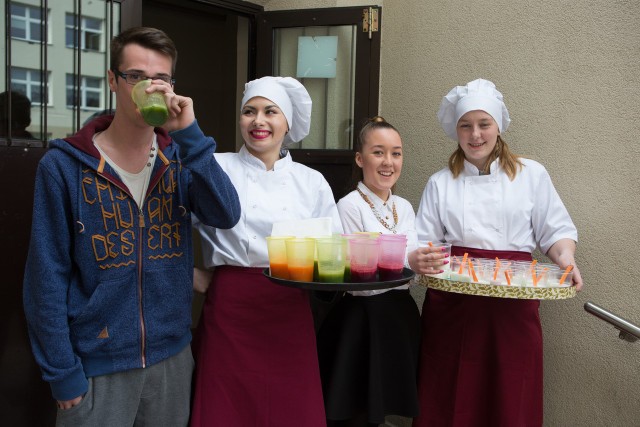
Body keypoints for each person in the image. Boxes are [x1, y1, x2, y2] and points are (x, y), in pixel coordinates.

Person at [22, 27, 241, 426]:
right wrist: (62, 372)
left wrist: (191, 137)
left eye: (160, 79)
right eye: (135, 76)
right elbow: (45, 277)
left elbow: (225, 214)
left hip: (172, 359)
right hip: (96, 367)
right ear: (112, 81)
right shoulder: (64, 167)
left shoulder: (179, 160)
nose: (149, 87)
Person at [412, 78, 582, 427]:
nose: (475, 135)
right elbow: (424, 242)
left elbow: (557, 231)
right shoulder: (439, 182)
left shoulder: (532, 175)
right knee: (449, 397)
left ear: (498, 126)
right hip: (452, 307)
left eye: (484, 124)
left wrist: (566, 258)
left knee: (510, 398)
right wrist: (422, 258)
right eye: (466, 126)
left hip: (514, 306)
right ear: (456, 131)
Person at [190, 76, 342, 427]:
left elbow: (333, 249)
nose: (258, 121)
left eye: (270, 111)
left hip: (290, 307)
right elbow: (166, 225)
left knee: (291, 408)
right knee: (225, 408)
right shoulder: (215, 167)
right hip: (230, 307)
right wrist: (190, 274)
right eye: (249, 111)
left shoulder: (311, 182)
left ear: (287, 122)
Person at [317, 116, 445, 427]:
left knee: (385, 403)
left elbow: (409, 264)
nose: (388, 162)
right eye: (378, 152)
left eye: (396, 153)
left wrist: (421, 263)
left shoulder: (403, 205)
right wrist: (409, 262)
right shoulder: (349, 206)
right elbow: (363, 274)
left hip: (399, 314)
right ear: (360, 159)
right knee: (359, 408)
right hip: (362, 317)